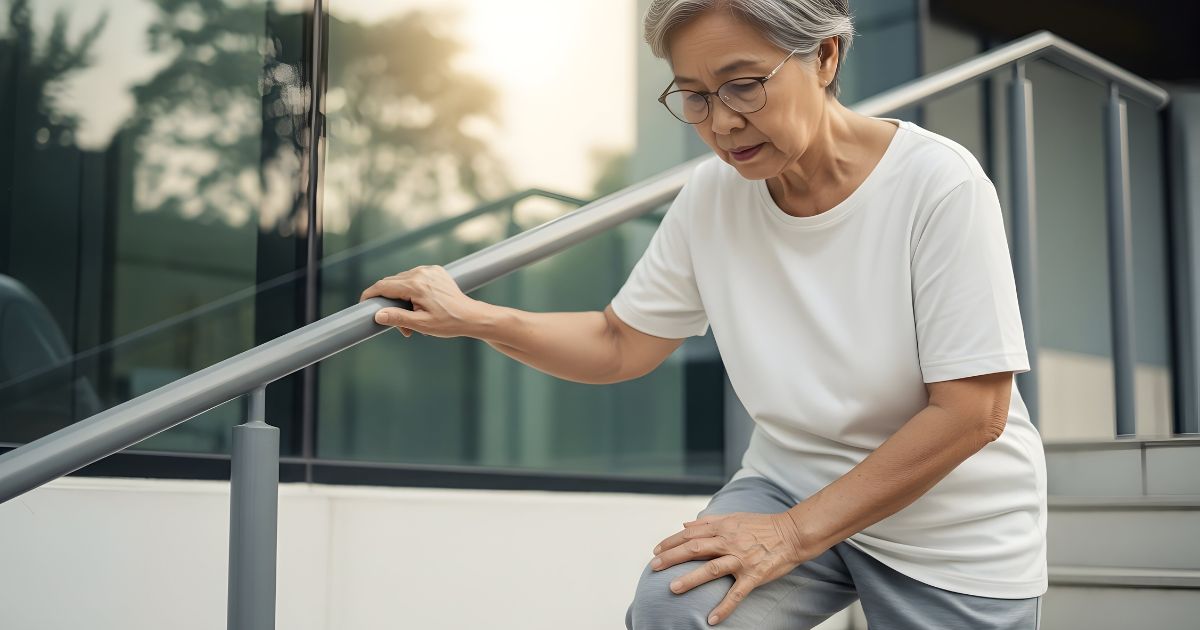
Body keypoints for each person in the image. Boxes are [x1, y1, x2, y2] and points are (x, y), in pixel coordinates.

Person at [360, 0, 1046, 627]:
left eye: (743, 85)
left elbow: (972, 412)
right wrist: (475, 318)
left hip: (948, 527)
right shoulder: (713, 195)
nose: (720, 123)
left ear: (825, 56)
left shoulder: (938, 183)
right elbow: (620, 341)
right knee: (677, 610)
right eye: (694, 96)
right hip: (791, 482)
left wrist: (790, 535)